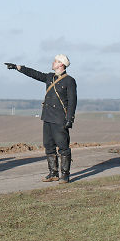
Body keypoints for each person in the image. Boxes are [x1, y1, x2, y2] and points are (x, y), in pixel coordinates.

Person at [5, 54, 77, 183]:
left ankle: (65, 175)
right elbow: (35, 74)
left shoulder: (69, 80)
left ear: (61, 64)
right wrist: (18, 67)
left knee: (63, 147)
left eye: (56, 61)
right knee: (48, 146)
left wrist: (70, 119)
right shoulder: (50, 77)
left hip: (60, 118)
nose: (53, 62)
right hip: (47, 117)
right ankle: (53, 173)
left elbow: (72, 101)